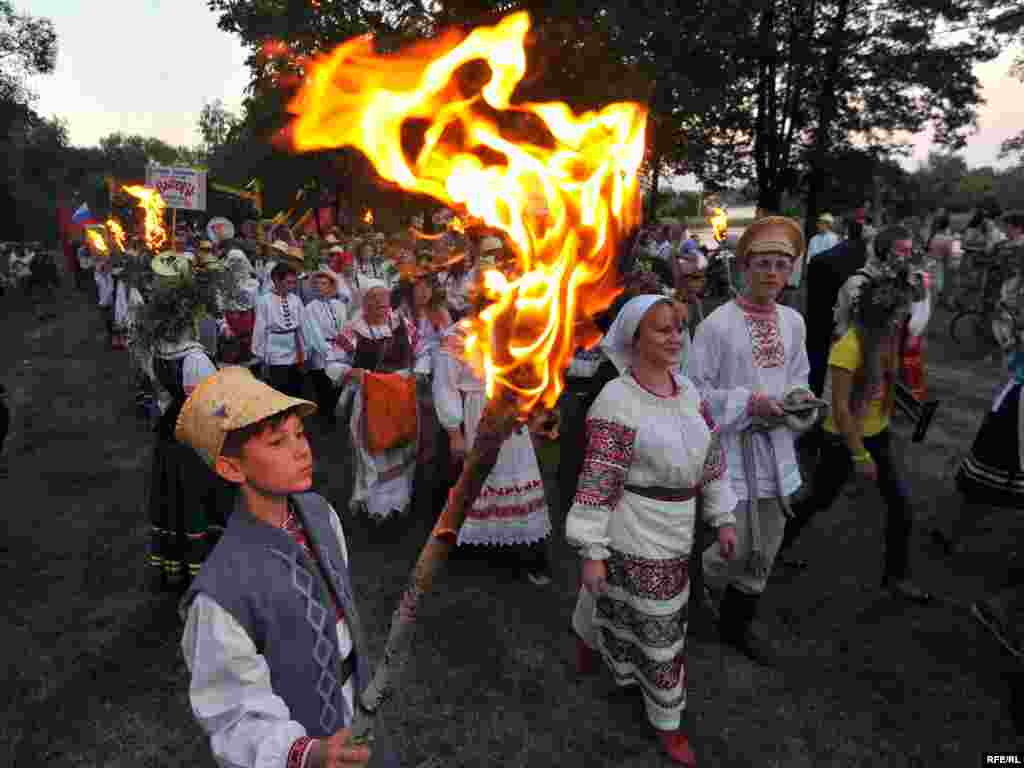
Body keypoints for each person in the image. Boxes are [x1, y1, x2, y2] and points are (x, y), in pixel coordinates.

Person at [176, 366, 397, 768]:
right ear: (231, 468)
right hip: (302, 740)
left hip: (360, 713)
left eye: (300, 433)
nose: (302, 450)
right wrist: (307, 754)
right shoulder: (221, 596)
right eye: (278, 442)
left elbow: (343, 616)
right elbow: (234, 714)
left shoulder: (321, 514)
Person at [567, 295, 738, 766]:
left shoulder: (688, 391)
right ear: (634, 338)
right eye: (661, 329)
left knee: (617, 597)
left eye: (679, 327)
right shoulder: (616, 400)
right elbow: (599, 479)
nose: (675, 337)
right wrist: (591, 549)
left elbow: (713, 458)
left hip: (679, 524)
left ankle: (586, 638)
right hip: (633, 521)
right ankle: (669, 721)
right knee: (660, 626)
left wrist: (722, 516)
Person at [689, 216, 819, 665]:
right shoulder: (717, 326)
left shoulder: (794, 322)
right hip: (733, 450)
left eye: (781, 265)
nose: (771, 273)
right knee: (736, 544)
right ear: (745, 267)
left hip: (777, 447)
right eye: (763, 263)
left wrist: (800, 400)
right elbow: (695, 394)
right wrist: (748, 405)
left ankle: (736, 626)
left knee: (770, 541)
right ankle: (689, 593)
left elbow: (799, 375)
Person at [776, 263, 931, 601]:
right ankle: (774, 549)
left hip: (878, 434)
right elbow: (841, 409)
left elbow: (885, 385)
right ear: (884, 316)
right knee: (820, 498)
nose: (902, 322)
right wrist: (859, 453)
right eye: (899, 315)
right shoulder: (850, 347)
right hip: (843, 438)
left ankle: (895, 578)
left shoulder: (886, 340)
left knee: (900, 504)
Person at [144, 253, 235, 591]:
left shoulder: (157, 350)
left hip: (168, 439)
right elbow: (213, 409)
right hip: (192, 444)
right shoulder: (195, 359)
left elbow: (161, 395)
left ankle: (174, 564)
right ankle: (202, 568)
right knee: (198, 502)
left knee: (172, 501)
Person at [325, 279, 422, 520]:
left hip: (401, 397)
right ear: (363, 302)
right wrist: (350, 372)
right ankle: (375, 506)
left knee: (400, 446)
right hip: (370, 400)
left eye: (383, 296)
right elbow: (332, 362)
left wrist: (418, 370)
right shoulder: (352, 329)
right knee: (374, 448)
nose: (380, 302)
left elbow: (422, 350)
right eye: (373, 298)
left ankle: (400, 502)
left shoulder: (402, 323)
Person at [253, 263, 311, 399]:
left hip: (295, 348)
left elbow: (304, 325)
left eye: (294, 283)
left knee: (296, 387)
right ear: (276, 280)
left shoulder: (295, 299)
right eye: (288, 282)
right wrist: (260, 353)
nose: (292, 286)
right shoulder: (264, 301)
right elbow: (260, 327)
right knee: (279, 388)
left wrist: (306, 347)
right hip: (275, 348)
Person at [302, 268, 350, 428]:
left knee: (338, 385)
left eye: (324, 283)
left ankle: (335, 417)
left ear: (331, 286)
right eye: (317, 284)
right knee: (323, 387)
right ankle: (325, 419)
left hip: (340, 350)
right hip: (321, 353)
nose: (320, 287)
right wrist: (327, 351)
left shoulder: (340, 305)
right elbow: (313, 333)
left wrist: (345, 346)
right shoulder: (310, 308)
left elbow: (345, 327)